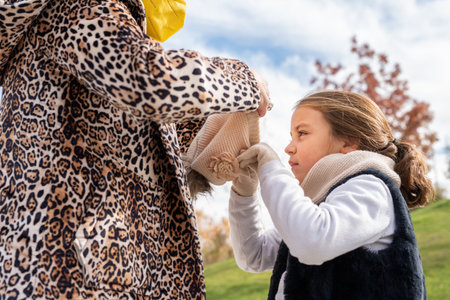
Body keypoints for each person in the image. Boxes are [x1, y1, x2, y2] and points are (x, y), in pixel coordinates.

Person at [0, 0, 270, 299]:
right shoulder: (81, 6)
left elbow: (126, 138)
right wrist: (243, 81)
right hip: (73, 274)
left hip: (94, 266)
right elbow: (150, 81)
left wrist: (216, 128)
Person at [229, 90, 433, 299]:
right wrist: (244, 194)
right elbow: (254, 255)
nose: (288, 148)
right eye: (292, 136)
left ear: (348, 142)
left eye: (302, 133)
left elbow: (312, 240)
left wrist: (271, 166)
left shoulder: (371, 187)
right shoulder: (319, 204)